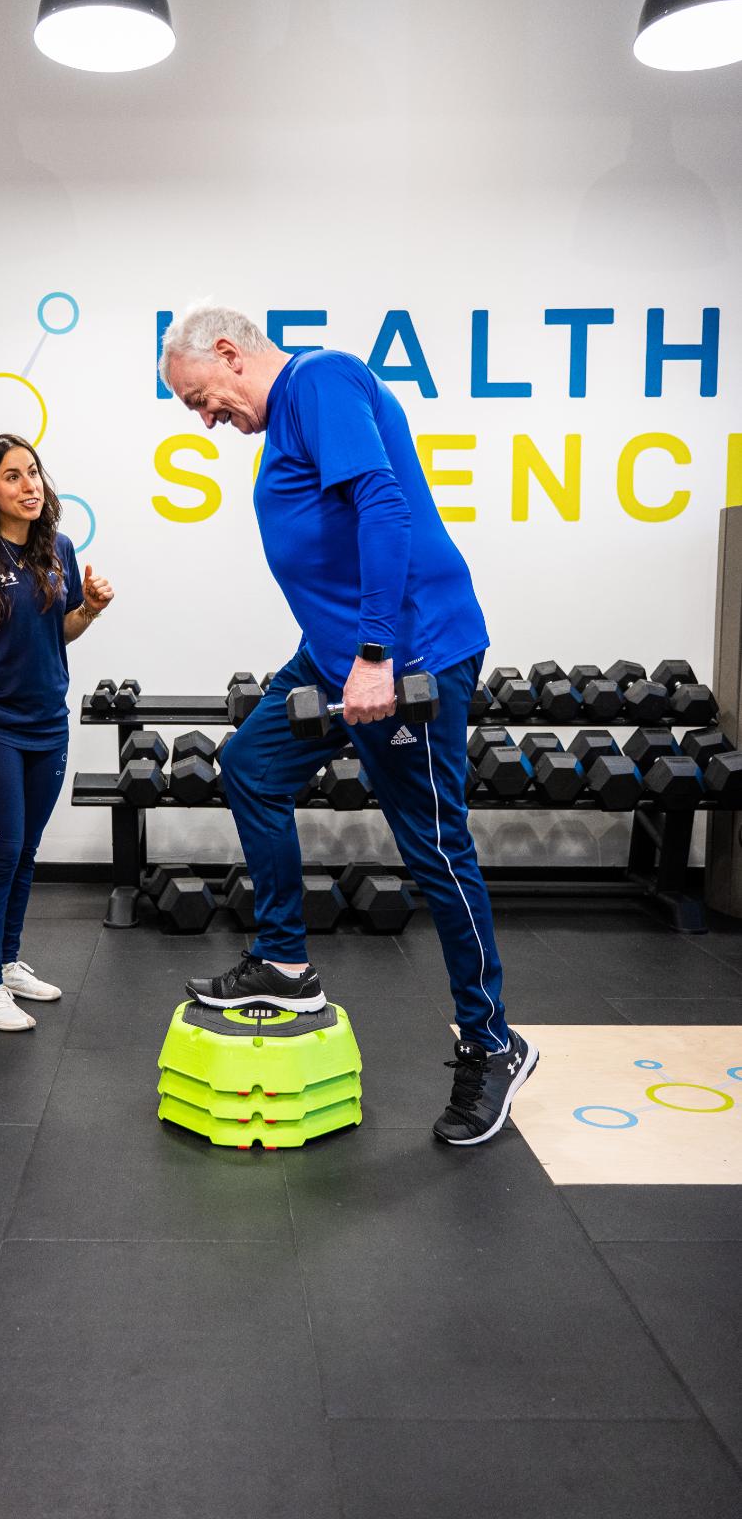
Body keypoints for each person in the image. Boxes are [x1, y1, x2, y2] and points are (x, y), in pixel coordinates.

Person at [159, 306, 537, 1146]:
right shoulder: (288, 416)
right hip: (334, 657)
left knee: (434, 849)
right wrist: (341, 650)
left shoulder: (319, 379)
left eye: (199, 400)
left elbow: (384, 505)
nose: (207, 420)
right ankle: (286, 963)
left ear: (228, 352)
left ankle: (491, 1041)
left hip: (405, 658)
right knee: (251, 767)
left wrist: (373, 653)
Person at [0, 432, 113, 1031]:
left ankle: (7, 963)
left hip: (46, 725)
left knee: (26, 852)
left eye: (33, 473)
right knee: (1, 852)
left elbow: (57, 631)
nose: (29, 485)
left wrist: (88, 608)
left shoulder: (56, 547)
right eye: (12, 476)